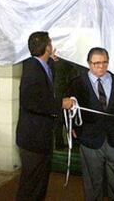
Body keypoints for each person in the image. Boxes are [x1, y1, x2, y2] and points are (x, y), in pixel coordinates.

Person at [67, 47, 114, 201]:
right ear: (89, 63)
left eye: (104, 63)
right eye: (96, 63)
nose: (101, 66)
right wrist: (74, 129)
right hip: (90, 140)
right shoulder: (77, 83)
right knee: (93, 183)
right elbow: (70, 110)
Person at [16, 31, 74, 201]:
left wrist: (51, 61)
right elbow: (31, 101)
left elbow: (45, 87)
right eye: (50, 43)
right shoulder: (32, 70)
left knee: (39, 184)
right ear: (47, 47)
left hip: (40, 138)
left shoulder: (39, 65)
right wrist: (60, 104)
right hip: (33, 139)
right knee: (30, 185)